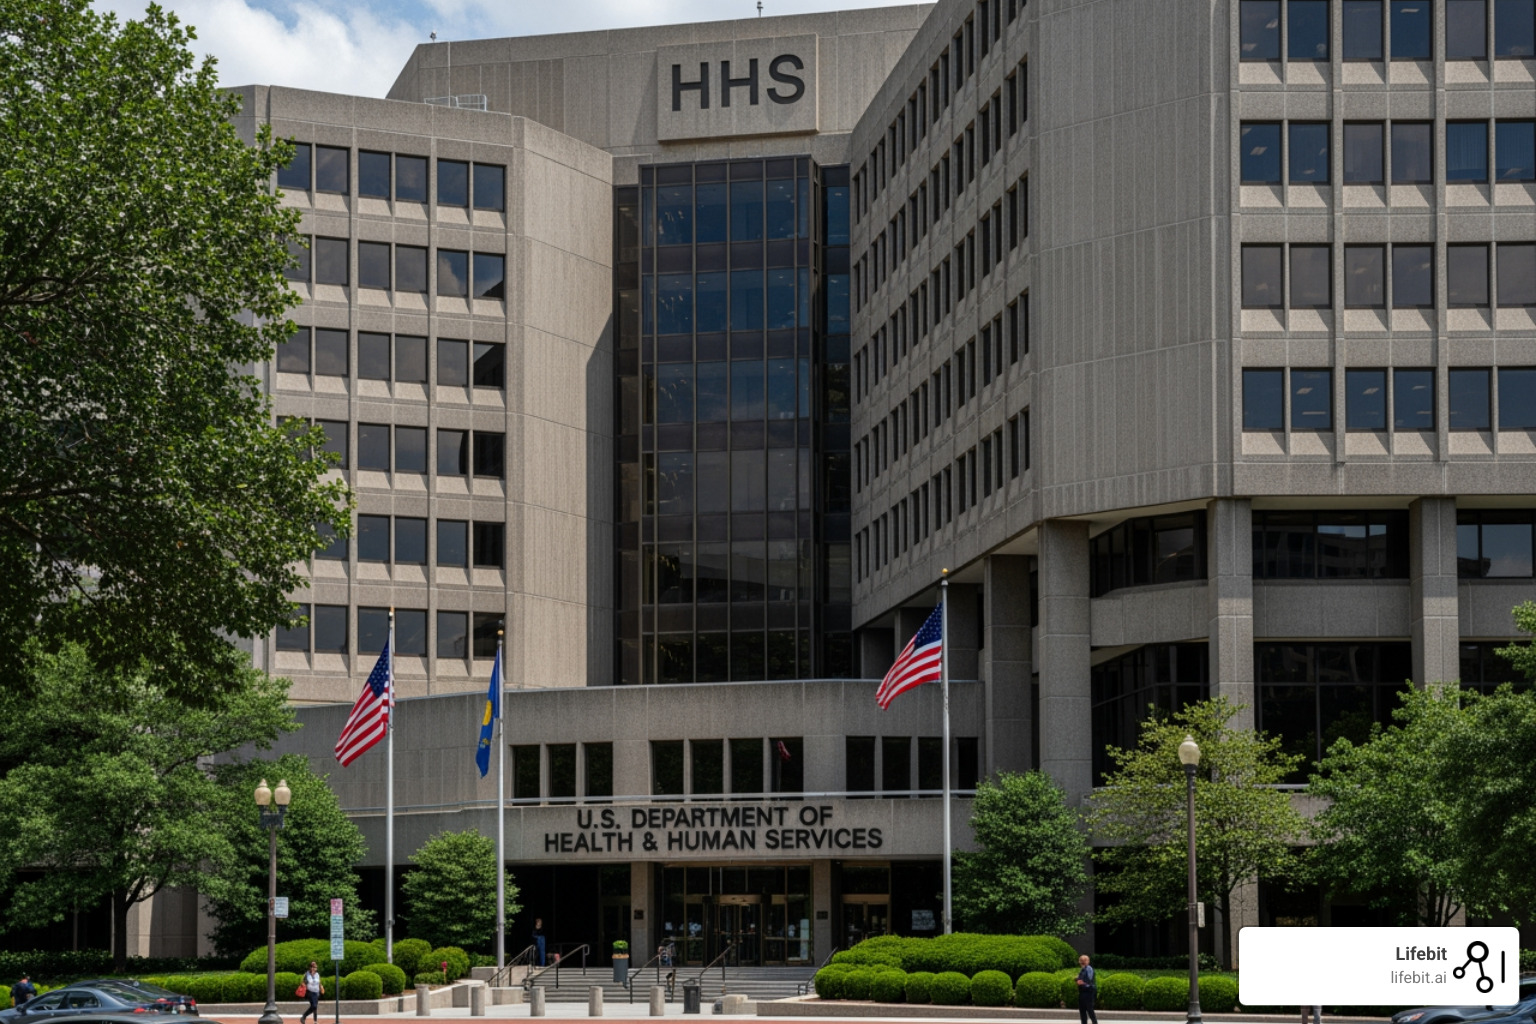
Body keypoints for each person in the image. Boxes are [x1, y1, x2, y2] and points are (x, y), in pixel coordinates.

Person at [1075, 954, 1099, 1024]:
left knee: (1090, 1009)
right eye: (1081, 960)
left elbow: (1090, 981)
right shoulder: (1082, 969)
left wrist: (1082, 983)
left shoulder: (1089, 969)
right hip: (1082, 992)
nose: (1082, 962)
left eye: (1084, 960)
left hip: (1089, 992)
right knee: (1082, 1010)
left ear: (1088, 961)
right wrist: (1077, 979)